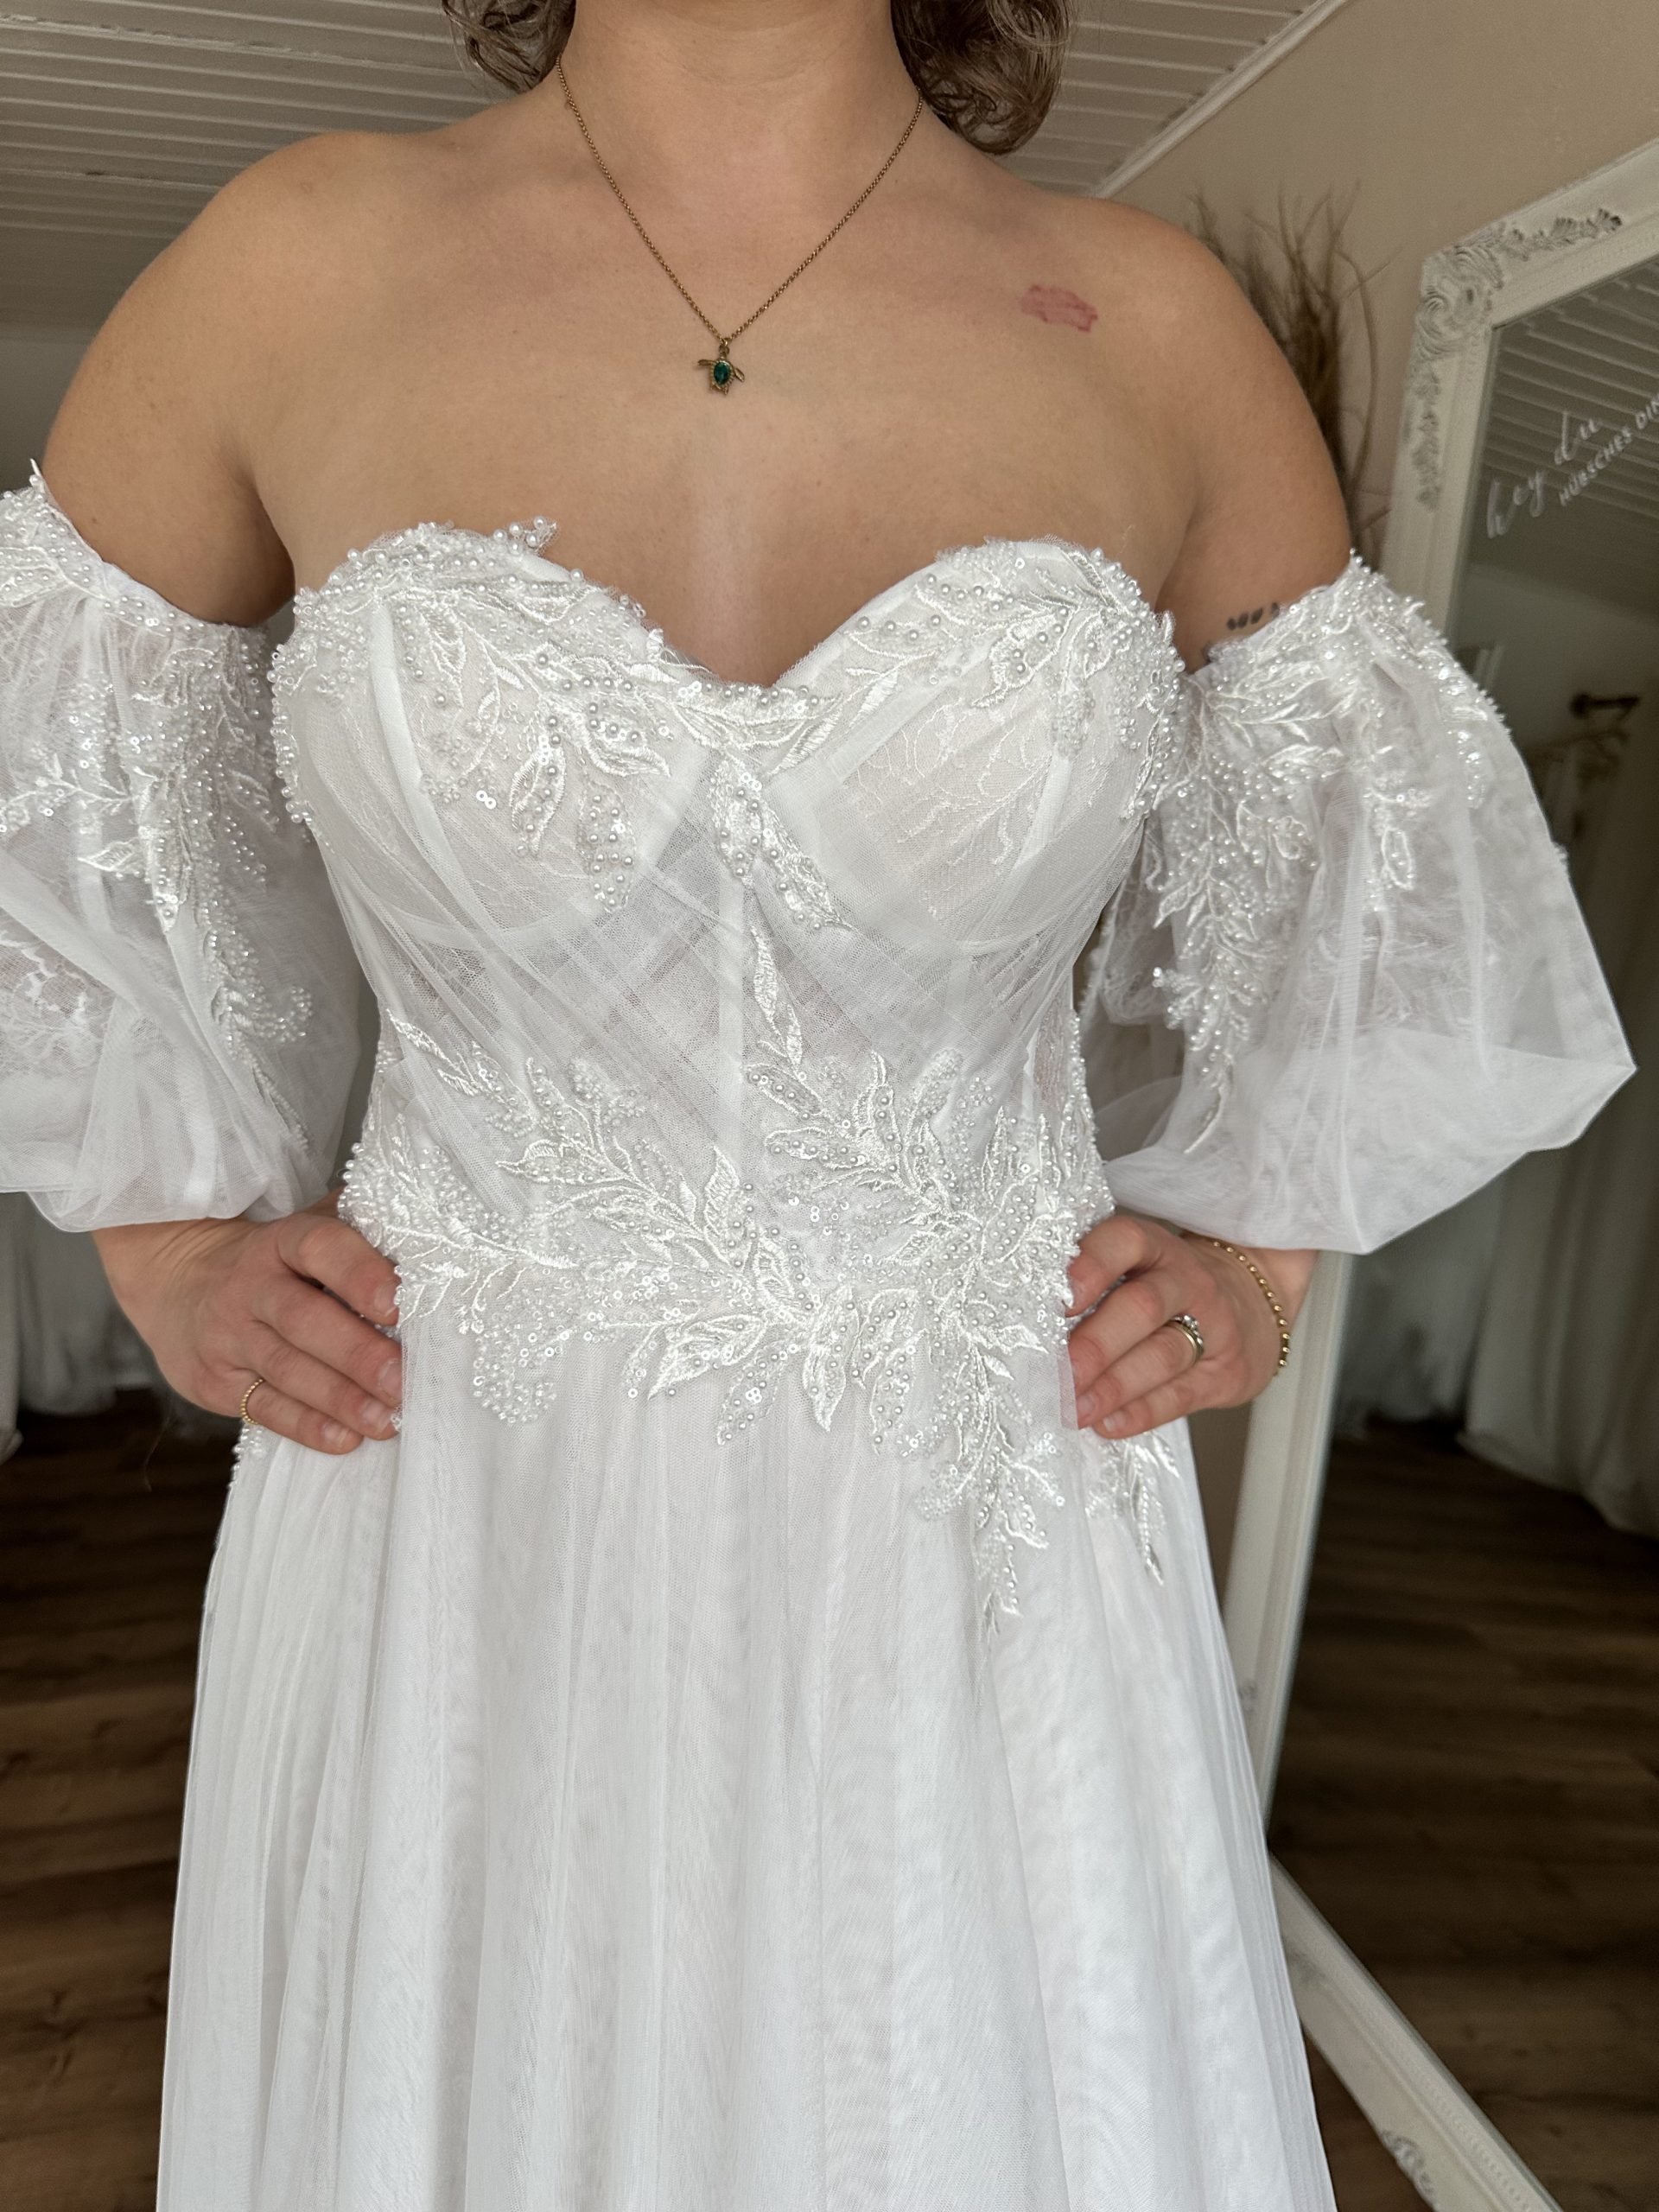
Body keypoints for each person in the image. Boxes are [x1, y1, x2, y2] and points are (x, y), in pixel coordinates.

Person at [0, 0, 1632, 2203]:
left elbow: (1389, 898)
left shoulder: (1160, 333)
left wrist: (1257, 1261)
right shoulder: (293, 267)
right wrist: (164, 1236)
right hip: (460, 1488)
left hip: (982, 1516)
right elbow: (47, 806)